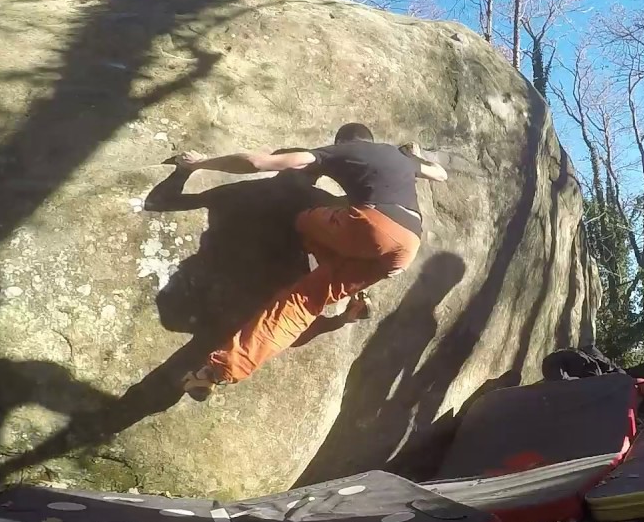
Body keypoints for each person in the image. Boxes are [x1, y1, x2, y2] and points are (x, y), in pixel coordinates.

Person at [172, 122, 449, 399]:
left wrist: (199, 164)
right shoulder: (399, 157)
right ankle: (214, 373)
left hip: (373, 225)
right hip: (405, 248)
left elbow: (258, 163)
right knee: (324, 277)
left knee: (305, 223)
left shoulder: (342, 152)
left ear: (343, 142)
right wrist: (413, 156)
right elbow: (440, 174)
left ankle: (222, 369)